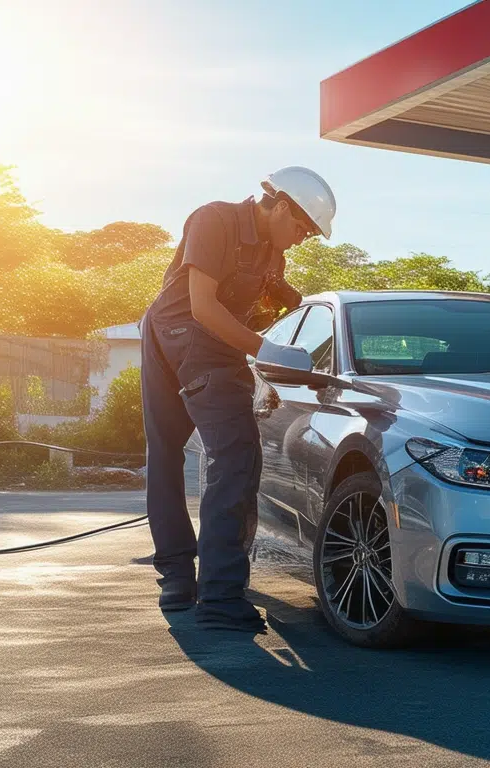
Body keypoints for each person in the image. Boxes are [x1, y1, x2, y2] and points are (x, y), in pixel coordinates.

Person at [140, 167, 336, 631]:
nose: (302, 239)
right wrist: (265, 351)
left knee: (233, 455)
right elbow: (204, 306)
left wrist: (291, 303)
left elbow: (260, 306)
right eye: (302, 229)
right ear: (282, 205)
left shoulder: (274, 257)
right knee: (214, 453)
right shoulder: (214, 220)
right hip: (177, 332)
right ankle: (206, 589)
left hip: (210, 342)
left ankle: (201, 584)